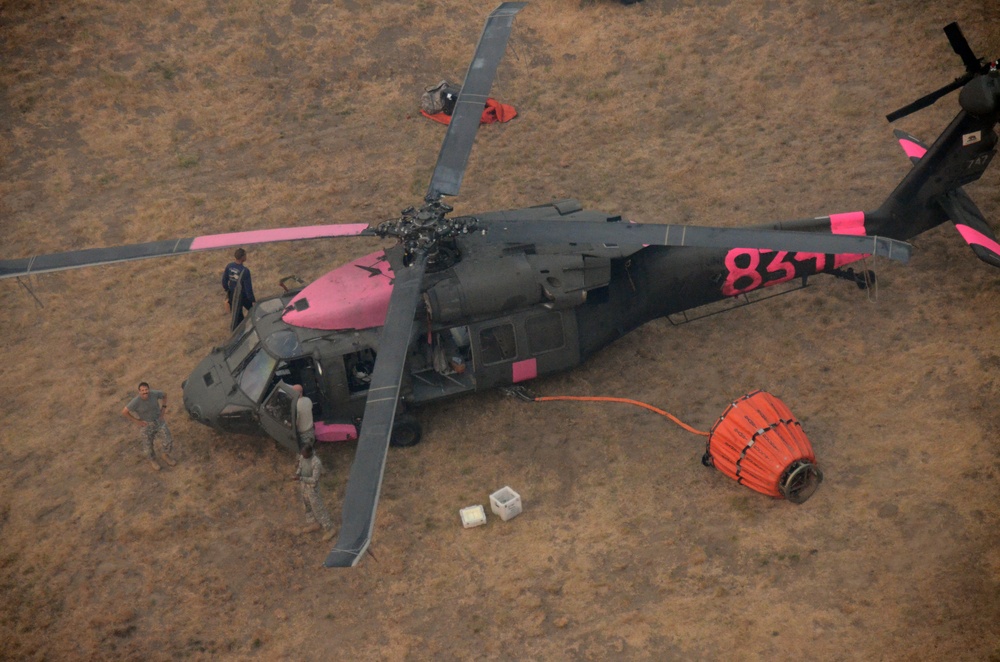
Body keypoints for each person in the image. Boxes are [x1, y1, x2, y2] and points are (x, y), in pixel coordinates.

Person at [122, 382, 176, 471]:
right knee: (147, 447)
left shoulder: (154, 394)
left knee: (168, 439)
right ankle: (153, 460)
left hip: (158, 421)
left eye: (146, 390)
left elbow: (164, 395)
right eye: (142, 390)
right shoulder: (136, 402)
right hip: (146, 425)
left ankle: (165, 455)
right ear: (139, 392)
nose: (145, 392)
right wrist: (137, 421)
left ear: (149, 389)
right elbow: (124, 412)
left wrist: (163, 409)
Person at [294, 444, 336, 541]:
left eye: (304, 454)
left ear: (309, 453)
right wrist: (297, 473)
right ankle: (314, 523)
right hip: (304, 487)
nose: (302, 455)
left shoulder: (316, 462)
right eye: (302, 453)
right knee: (307, 505)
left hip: (312, 489)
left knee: (318, 508)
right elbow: (300, 466)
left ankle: (330, 528)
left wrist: (300, 478)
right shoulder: (302, 457)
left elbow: (314, 480)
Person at [221, 248, 256, 330]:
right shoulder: (245, 271)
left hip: (233, 294)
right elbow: (248, 288)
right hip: (243, 295)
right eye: (245, 255)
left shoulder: (229, 266)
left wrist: (228, 290)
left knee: (238, 315)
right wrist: (252, 300)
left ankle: (239, 330)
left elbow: (224, 281)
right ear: (242, 257)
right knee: (254, 310)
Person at [292, 384, 315, 448]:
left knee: (306, 453)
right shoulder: (308, 400)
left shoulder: (296, 406)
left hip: (303, 435)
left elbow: (295, 423)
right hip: (311, 430)